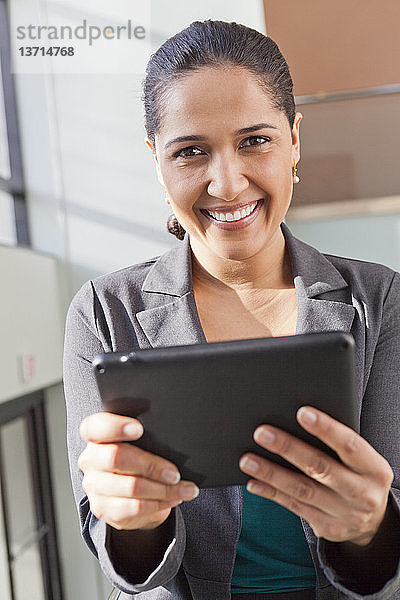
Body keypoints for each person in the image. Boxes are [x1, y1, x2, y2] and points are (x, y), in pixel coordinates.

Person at [63, 20, 400, 600]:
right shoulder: (104, 311)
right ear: (157, 161)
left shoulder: (380, 301)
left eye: (255, 141)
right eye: (191, 152)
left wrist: (370, 529)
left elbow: (388, 544)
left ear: (294, 138)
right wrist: (129, 521)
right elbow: (122, 562)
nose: (227, 182)